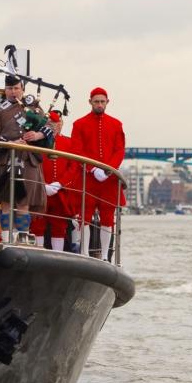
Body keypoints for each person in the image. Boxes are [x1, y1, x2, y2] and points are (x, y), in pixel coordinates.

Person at [0, 76, 53, 239]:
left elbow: (50, 126)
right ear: (5, 90)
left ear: (22, 89)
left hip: (29, 159)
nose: (13, 92)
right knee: (7, 202)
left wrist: (37, 135)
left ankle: (22, 236)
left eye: (16, 88)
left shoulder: (34, 107)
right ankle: (8, 237)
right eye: (10, 89)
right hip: (6, 159)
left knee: (24, 201)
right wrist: (11, 142)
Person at [70, 87, 126, 260]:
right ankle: (84, 252)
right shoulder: (79, 124)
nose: (100, 104)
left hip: (107, 180)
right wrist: (93, 168)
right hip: (87, 177)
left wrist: (108, 170)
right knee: (84, 216)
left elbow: (119, 150)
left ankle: (105, 257)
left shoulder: (116, 124)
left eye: (102, 101)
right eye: (96, 101)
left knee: (108, 217)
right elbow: (76, 150)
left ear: (107, 102)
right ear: (90, 102)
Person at [30, 110, 79, 251]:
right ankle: (37, 251)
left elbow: (73, 166)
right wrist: (41, 184)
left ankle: (58, 253)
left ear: (62, 124)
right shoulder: (38, 142)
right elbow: (33, 163)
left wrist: (60, 184)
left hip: (60, 191)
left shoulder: (69, 142)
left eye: (58, 122)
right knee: (37, 223)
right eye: (52, 123)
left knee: (60, 225)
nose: (56, 125)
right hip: (41, 189)